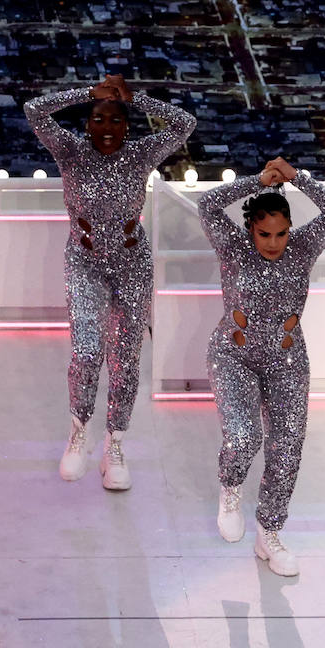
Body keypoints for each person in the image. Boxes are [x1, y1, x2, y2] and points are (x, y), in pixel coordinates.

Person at [25, 74, 196, 489]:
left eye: (116, 120)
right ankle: (78, 432)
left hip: (132, 265)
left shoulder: (140, 154)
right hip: (84, 264)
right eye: (98, 118)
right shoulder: (70, 151)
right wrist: (88, 93)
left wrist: (135, 98)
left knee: (125, 359)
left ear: (127, 126)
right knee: (86, 352)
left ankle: (114, 444)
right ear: (87, 124)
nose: (107, 128)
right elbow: (34, 110)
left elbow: (184, 124)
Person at [197, 157, 325, 577]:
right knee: (244, 437)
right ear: (250, 228)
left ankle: (270, 533)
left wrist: (297, 178)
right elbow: (207, 205)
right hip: (233, 356)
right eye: (264, 233)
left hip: (287, 360)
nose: (274, 242)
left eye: (281, 233)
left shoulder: (303, 247)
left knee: (287, 447)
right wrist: (257, 181)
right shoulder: (232, 245)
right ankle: (230, 487)